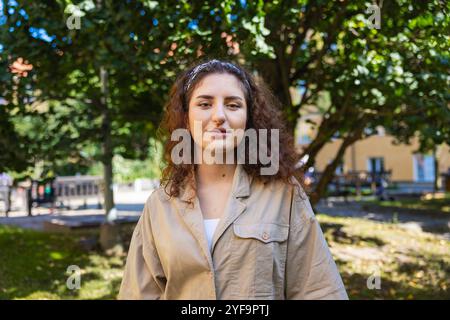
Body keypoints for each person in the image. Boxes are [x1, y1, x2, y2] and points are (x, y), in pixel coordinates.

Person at [118, 59, 348, 300]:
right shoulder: (160, 206)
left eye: (233, 105)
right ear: (186, 119)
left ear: (248, 119)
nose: (219, 116)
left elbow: (319, 291)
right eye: (205, 104)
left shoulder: (285, 195)